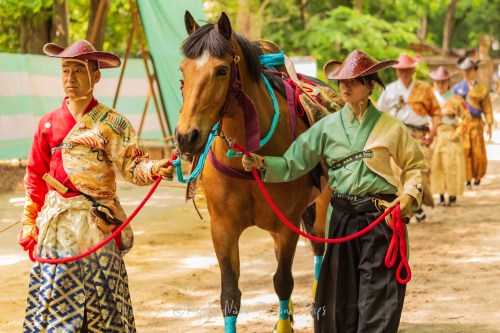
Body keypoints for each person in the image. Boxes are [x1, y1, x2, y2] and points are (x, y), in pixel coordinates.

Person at [241, 49, 427, 333]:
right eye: (342, 81)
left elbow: (415, 166)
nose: (345, 87)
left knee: (378, 295)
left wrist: (407, 198)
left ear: (370, 84)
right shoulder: (326, 127)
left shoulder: (391, 127)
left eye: (353, 81)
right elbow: (293, 163)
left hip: (380, 217)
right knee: (339, 299)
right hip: (340, 219)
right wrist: (261, 163)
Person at [17, 40, 174, 333]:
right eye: (65, 70)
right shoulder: (48, 123)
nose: (69, 78)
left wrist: (154, 168)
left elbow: (133, 167)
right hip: (57, 222)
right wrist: (29, 221)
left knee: (102, 296)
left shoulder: (112, 123)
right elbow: (35, 176)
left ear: (96, 76)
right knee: (55, 294)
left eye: (78, 71)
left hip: (97, 222)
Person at [376, 53, 441, 223]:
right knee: (397, 175)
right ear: (397, 72)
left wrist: (432, 133)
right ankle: (406, 211)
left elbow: (436, 113)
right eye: (400, 70)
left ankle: (417, 205)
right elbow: (378, 114)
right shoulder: (389, 90)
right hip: (396, 137)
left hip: (419, 136)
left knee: (420, 173)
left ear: (412, 70)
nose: (404, 73)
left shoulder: (425, 89)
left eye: (407, 69)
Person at [452, 56, 493, 188]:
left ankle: (477, 176)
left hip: (476, 124)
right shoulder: (458, 88)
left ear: (475, 70)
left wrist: (489, 125)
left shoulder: (482, 89)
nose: (467, 73)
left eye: (470, 70)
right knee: (465, 151)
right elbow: (453, 106)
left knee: (478, 152)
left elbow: (487, 107)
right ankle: (467, 178)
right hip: (463, 124)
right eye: (465, 70)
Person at [429, 66, 467, 206]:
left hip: (451, 135)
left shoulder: (456, 99)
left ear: (448, 82)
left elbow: (466, 117)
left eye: (443, 82)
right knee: (436, 167)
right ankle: (440, 195)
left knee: (451, 166)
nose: (440, 85)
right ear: (434, 82)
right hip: (436, 135)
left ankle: (452, 194)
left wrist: (458, 132)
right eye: (437, 82)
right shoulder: (431, 97)